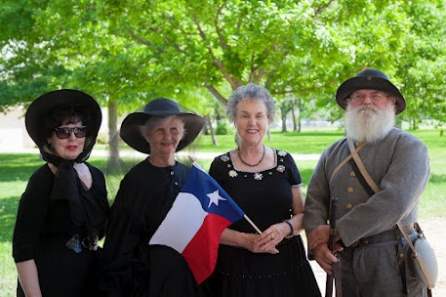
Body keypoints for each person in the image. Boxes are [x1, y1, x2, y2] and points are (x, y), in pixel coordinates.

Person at [304, 68, 430, 297]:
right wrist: (318, 244)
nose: (366, 102)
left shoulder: (410, 148)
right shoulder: (333, 152)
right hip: (343, 261)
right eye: (359, 96)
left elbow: (394, 202)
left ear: (392, 103)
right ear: (349, 103)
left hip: (391, 259)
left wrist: (336, 232)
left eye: (376, 96)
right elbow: (314, 200)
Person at [206, 83, 321, 297]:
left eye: (259, 115)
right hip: (237, 271)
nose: (252, 123)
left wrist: (284, 228)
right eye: (244, 115)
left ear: (269, 120)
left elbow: (304, 215)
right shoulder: (219, 166)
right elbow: (209, 226)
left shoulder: (285, 162)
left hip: (286, 266)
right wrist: (246, 241)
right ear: (234, 119)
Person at [100, 98, 206, 297]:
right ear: (147, 136)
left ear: (182, 134)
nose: (168, 136)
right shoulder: (136, 182)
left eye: (174, 129)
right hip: (148, 282)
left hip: (187, 280)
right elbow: (120, 242)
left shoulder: (190, 176)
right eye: (159, 130)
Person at [12, 89, 109, 297]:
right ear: (49, 138)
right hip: (50, 284)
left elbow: (99, 231)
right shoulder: (41, 181)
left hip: (90, 280)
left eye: (79, 131)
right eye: (63, 132)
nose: (73, 138)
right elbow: (23, 250)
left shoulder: (97, 176)